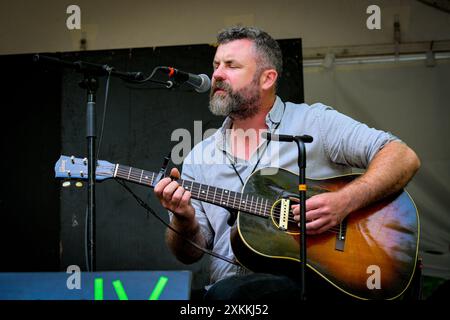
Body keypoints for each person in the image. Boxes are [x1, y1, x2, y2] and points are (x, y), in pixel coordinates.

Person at [154, 26, 420, 300]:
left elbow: (402, 156)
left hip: (315, 287)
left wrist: (345, 202)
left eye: (231, 66)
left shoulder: (314, 122)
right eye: (216, 65)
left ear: (267, 78)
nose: (217, 74)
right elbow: (190, 253)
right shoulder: (199, 156)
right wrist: (183, 220)